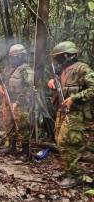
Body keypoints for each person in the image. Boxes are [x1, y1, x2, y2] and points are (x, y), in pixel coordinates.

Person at [47, 41, 94, 187]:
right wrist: (52, 83)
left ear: (67, 55)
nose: (57, 60)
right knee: (59, 139)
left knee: (67, 142)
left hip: (77, 113)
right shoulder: (64, 70)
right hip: (63, 111)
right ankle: (69, 170)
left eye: (59, 57)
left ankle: (76, 176)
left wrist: (74, 98)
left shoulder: (82, 68)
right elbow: (63, 89)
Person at [0, 44, 33, 160]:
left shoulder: (26, 69)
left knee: (22, 126)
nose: (13, 58)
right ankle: (11, 147)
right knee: (9, 124)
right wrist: (0, 87)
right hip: (7, 100)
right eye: (12, 56)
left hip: (20, 103)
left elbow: (29, 88)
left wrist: (18, 102)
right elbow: (2, 81)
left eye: (16, 56)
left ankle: (25, 151)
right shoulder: (8, 68)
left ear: (22, 56)